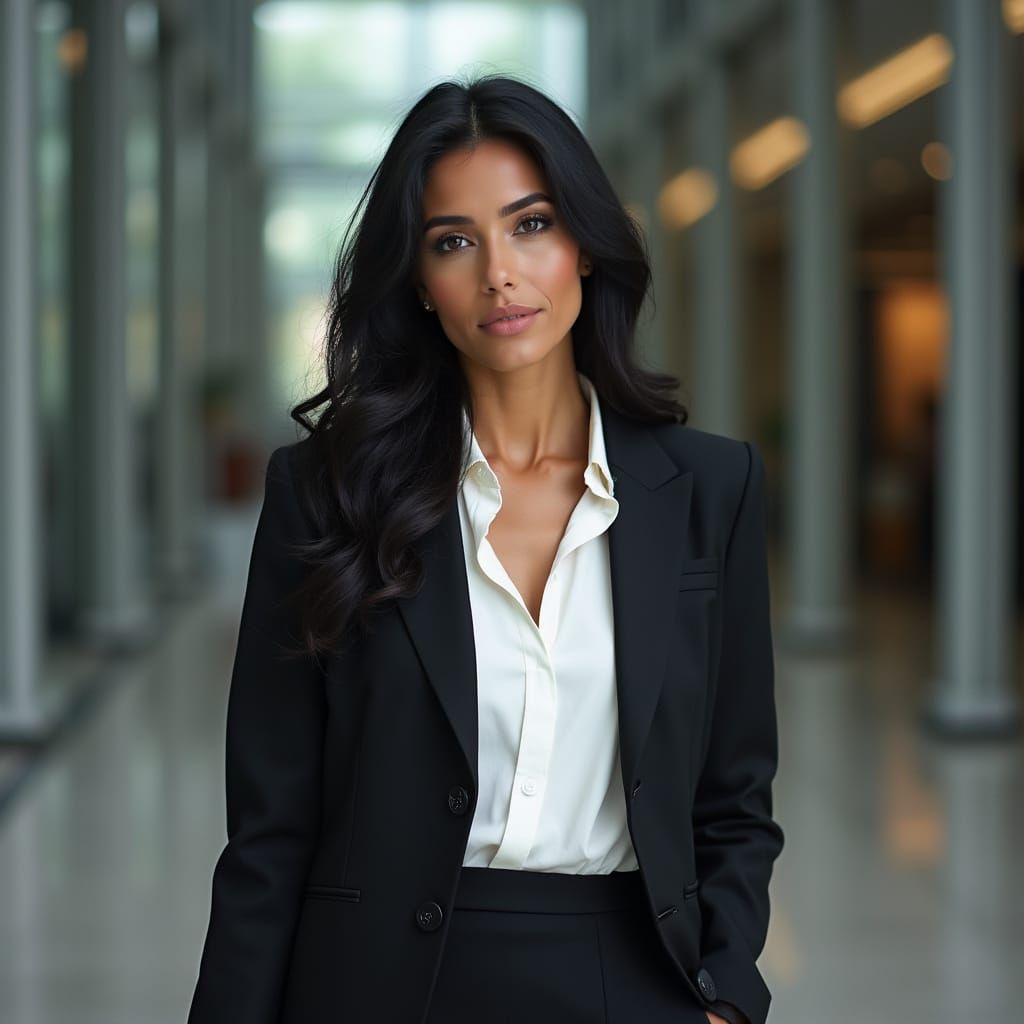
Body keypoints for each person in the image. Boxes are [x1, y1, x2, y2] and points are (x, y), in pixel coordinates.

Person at [187, 73, 784, 1024]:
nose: (498, 272)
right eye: (454, 242)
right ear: (420, 284)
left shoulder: (711, 490)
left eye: (531, 224)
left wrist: (727, 995)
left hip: (627, 976)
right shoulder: (327, 494)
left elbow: (735, 797)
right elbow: (268, 835)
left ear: (584, 245)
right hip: (380, 987)